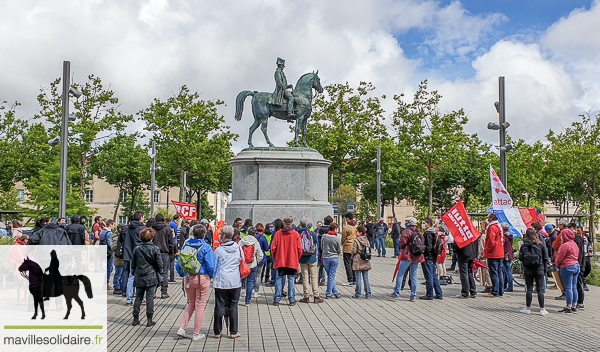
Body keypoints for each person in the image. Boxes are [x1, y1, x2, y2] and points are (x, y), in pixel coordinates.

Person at [176, 224, 216, 341]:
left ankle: (182, 328)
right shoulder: (206, 247)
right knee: (200, 306)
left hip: (187, 278)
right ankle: (196, 333)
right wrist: (211, 277)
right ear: (204, 234)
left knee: (191, 303)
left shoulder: (185, 246)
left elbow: (178, 264)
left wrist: (182, 275)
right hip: (201, 278)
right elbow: (211, 265)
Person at [213, 226, 242, 339]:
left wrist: (213, 277)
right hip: (235, 280)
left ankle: (217, 331)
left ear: (224, 236)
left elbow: (215, 265)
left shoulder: (219, 250)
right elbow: (241, 261)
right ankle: (233, 332)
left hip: (221, 280)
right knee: (233, 306)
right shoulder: (238, 248)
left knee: (219, 306)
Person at [131, 228, 162, 327]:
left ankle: (135, 319)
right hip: (151, 276)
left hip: (139, 275)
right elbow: (159, 264)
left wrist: (134, 271)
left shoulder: (137, 249)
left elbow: (133, 264)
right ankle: (149, 320)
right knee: (150, 298)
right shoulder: (155, 249)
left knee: (138, 298)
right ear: (152, 237)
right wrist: (160, 272)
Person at [390, 216, 423, 301]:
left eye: (407, 222)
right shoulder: (419, 231)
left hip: (408, 254)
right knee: (414, 275)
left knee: (400, 274)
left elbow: (402, 242)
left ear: (410, 223)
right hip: (417, 255)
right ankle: (413, 295)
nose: (406, 223)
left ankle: (396, 293)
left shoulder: (407, 231)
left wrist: (401, 247)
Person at [271, 216, 302, 306]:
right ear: (292, 224)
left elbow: (273, 248)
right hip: (292, 261)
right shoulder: (296, 234)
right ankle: (292, 299)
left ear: (284, 224)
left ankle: (277, 299)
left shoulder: (278, 234)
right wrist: (297, 259)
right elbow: (300, 249)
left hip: (280, 261)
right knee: (291, 280)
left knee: (279, 280)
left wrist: (276, 258)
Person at [519, 228, 549, 316]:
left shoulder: (524, 246)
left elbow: (520, 258)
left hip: (528, 269)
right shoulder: (541, 245)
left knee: (529, 288)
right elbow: (545, 258)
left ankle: (527, 308)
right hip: (539, 268)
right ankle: (542, 309)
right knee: (539, 289)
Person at [118, 211, 146, 306]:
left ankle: (129, 299)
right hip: (140, 255)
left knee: (131, 276)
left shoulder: (127, 229)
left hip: (129, 255)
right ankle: (141, 299)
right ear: (141, 218)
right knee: (141, 277)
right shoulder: (143, 229)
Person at [297, 217, 323, 303]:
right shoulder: (312, 233)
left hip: (302, 258)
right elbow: (317, 245)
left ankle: (306, 296)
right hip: (312, 258)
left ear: (300, 225)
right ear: (308, 225)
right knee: (314, 277)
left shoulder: (298, 233)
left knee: (305, 278)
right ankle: (316, 296)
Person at [555, 229, 580, 314]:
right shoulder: (574, 244)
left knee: (568, 288)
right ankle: (574, 306)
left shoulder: (565, 245)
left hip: (567, 267)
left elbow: (560, 257)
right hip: (576, 266)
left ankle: (568, 307)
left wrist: (557, 266)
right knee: (574, 287)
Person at [239, 226, 264, 306]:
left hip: (243, 265)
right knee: (250, 282)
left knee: (240, 282)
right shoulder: (256, 242)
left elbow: (237, 252)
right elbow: (260, 255)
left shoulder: (242, 241)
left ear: (247, 233)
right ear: (255, 233)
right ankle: (247, 302)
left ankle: (235, 300)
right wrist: (256, 261)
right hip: (252, 265)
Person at [152, 213, 174, 299]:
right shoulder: (167, 229)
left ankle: (153, 292)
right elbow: (170, 242)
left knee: (154, 272)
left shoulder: (151, 229)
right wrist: (171, 253)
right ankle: (164, 292)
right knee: (164, 272)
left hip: (153, 252)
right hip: (164, 252)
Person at [420, 218, 443, 300]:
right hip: (433, 256)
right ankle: (439, 293)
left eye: (424, 223)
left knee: (429, 276)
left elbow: (428, 247)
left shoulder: (428, 233)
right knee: (433, 275)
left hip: (428, 257)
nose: (423, 225)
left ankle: (429, 294)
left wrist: (424, 254)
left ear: (429, 224)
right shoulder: (434, 232)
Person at [454, 226, 479, 299]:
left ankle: (465, 292)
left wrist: (456, 251)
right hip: (471, 255)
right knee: (470, 272)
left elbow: (456, 244)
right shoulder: (473, 232)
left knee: (464, 273)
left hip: (463, 255)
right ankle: (473, 291)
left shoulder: (461, 232)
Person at [483, 213, 505, 298]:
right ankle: (500, 291)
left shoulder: (492, 227)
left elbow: (491, 241)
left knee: (494, 273)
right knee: (499, 273)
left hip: (493, 254)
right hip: (500, 253)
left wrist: (487, 250)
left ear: (491, 219)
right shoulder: (499, 227)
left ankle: (495, 291)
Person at [321, 223, 342, 298]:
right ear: (335, 229)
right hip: (334, 258)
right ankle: (328, 293)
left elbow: (322, 247)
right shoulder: (337, 238)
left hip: (326, 257)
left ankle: (336, 292)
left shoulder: (324, 236)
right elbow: (339, 250)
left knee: (330, 276)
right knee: (331, 276)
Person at [351, 226, 371, 298]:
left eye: (357, 231)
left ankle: (358, 293)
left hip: (358, 260)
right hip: (365, 260)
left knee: (358, 277)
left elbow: (354, 250)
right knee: (366, 278)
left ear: (360, 232)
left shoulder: (356, 240)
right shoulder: (366, 240)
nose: (356, 232)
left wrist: (352, 253)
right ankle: (368, 293)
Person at [253, 223, 270, 297]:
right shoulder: (263, 237)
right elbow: (266, 248)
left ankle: (249, 290)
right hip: (261, 257)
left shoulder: (252, 237)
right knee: (258, 275)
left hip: (252, 257)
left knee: (251, 275)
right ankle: (256, 291)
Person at [341, 213, 357, 286]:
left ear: (347, 219)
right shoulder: (356, 226)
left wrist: (342, 243)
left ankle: (350, 279)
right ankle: (355, 279)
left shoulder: (346, 227)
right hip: (355, 247)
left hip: (347, 247)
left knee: (347, 264)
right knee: (353, 263)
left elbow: (343, 237)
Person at [317, 216, 332, 286]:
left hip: (322, 248)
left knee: (322, 264)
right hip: (330, 248)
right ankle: (330, 280)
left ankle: (322, 280)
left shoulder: (321, 229)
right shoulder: (330, 229)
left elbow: (319, 238)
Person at [112, 224, 126, 294]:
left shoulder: (122, 235)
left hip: (122, 257)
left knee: (122, 274)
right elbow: (114, 247)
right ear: (120, 229)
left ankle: (120, 287)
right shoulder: (116, 237)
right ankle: (116, 287)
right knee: (118, 273)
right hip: (118, 258)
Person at [101, 220, 116, 290]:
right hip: (109, 252)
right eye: (113, 225)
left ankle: (104, 283)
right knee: (109, 268)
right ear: (110, 225)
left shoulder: (102, 231)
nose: (114, 226)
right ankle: (106, 284)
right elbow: (110, 244)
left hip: (103, 251)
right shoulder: (109, 233)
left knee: (106, 267)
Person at [502, 222, 514, 292]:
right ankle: (505, 285)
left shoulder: (504, 237)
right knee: (507, 270)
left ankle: (510, 286)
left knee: (507, 271)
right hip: (509, 254)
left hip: (505, 254)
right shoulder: (510, 235)